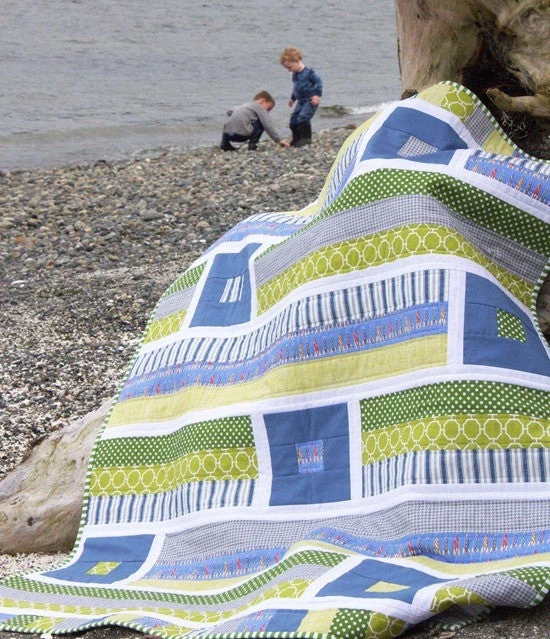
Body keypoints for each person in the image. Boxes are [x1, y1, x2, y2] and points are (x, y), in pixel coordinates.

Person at [279, 46, 323, 147]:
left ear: (297, 61)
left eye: (290, 67)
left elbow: (319, 83)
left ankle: (306, 138)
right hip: (300, 100)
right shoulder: (295, 74)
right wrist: (292, 98)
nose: (289, 70)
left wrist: (317, 95)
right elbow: (296, 87)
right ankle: (297, 139)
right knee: (294, 120)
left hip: (310, 100)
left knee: (303, 117)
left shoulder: (309, 72)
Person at [221, 91, 290, 151]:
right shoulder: (260, 107)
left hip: (229, 135)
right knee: (262, 122)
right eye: (268, 108)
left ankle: (225, 144)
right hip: (242, 136)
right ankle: (252, 145)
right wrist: (279, 140)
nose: (267, 112)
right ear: (262, 101)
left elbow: (228, 112)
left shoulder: (244, 106)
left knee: (228, 123)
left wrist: (239, 118)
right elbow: (268, 125)